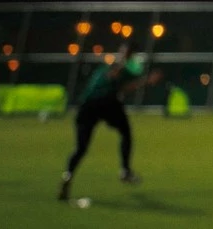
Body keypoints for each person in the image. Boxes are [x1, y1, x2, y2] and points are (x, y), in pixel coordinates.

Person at [59, 44, 159, 201]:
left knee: (81, 148)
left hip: (86, 105)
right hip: (105, 103)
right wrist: (144, 79)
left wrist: (144, 80)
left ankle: (68, 176)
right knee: (126, 133)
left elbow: (120, 85)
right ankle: (125, 171)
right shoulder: (117, 66)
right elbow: (117, 80)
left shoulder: (103, 68)